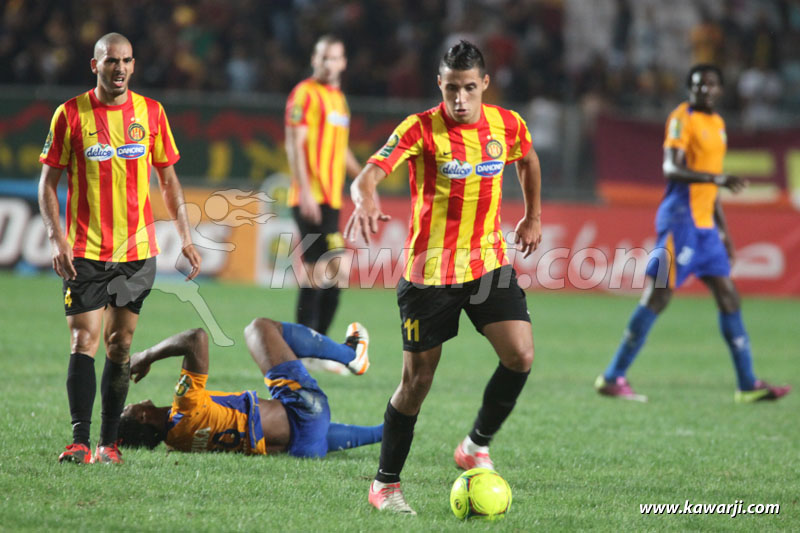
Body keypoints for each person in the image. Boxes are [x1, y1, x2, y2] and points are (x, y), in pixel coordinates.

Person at [345, 40, 543, 515]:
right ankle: (385, 485)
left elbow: (528, 159)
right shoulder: (419, 128)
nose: (459, 98)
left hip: (488, 263)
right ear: (440, 83)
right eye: (452, 87)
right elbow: (369, 173)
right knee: (417, 382)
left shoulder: (507, 124)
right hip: (429, 274)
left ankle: (476, 444)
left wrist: (533, 215)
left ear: (484, 85)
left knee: (520, 355)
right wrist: (365, 197)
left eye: (469, 88)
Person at [38, 32, 202, 465]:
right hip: (86, 251)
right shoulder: (70, 114)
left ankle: (108, 445)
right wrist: (57, 239)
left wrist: (185, 238)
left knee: (120, 345)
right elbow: (47, 185)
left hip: (137, 253)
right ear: (95, 65)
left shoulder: (151, 113)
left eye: (127, 61)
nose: (121, 69)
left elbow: (169, 181)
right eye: (112, 61)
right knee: (82, 340)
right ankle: (78, 440)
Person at [595, 64, 791, 404]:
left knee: (729, 296)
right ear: (690, 89)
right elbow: (671, 168)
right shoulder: (681, 118)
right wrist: (717, 180)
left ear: (719, 90)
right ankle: (612, 376)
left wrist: (724, 232)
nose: (704, 90)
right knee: (657, 298)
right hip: (679, 223)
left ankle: (747, 383)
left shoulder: (717, 124)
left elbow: (710, 184)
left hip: (705, 228)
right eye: (698, 85)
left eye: (710, 85)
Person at [119, 319, 378, 457]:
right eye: (128, 409)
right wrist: (147, 356)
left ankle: (390, 432)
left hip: (303, 446)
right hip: (305, 409)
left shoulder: (178, 442)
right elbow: (196, 338)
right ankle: (350, 354)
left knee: (310, 432)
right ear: (142, 416)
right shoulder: (185, 407)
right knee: (259, 329)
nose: (131, 403)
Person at [284, 35, 362, 375]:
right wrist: (305, 191)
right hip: (310, 198)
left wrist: (362, 178)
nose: (329, 63)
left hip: (331, 199)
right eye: (324, 58)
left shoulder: (339, 100)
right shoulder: (304, 94)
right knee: (323, 271)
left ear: (343, 63)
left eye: (335, 58)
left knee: (332, 273)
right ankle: (306, 350)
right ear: (315, 60)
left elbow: (341, 148)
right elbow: (295, 145)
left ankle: (311, 347)